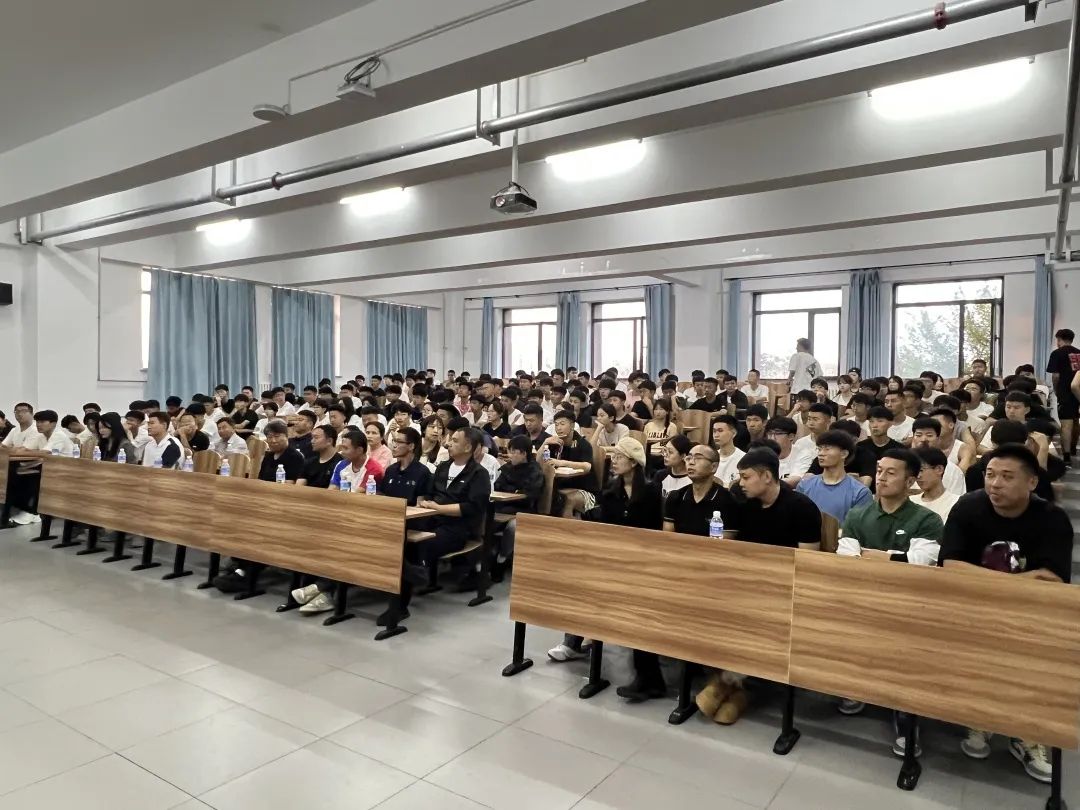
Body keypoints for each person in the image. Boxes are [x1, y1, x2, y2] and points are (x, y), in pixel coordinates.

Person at [939, 443, 1073, 782]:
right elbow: (950, 566)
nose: (995, 484)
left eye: (1007, 477)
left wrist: (984, 580)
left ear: (1031, 482)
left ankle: (1027, 735)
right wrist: (1021, 582)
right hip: (972, 607)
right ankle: (980, 720)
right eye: (990, 475)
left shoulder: (1052, 519)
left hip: (1031, 614)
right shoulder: (968, 508)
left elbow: (1052, 581)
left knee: (1035, 661)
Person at [834, 447, 944, 755]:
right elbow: (847, 558)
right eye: (879, 470)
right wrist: (896, 558)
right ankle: (856, 686)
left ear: (910, 481)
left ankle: (905, 713)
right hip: (862, 598)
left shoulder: (927, 519)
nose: (881, 477)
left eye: (891, 473)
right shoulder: (858, 514)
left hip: (909, 604)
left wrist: (877, 557)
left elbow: (921, 563)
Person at [617, 445, 739, 704]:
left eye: (698, 458)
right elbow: (668, 542)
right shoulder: (676, 497)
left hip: (713, 578)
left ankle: (696, 670)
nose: (691, 462)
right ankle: (649, 680)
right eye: (689, 457)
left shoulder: (727, 501)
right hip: (678, 572)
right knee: (642, 602)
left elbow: (726, 552)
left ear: (714, 467)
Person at [550, 437, 660, 663]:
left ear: (633, 462)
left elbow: (654, 530)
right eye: (614, 456)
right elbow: (604, 524)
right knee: (586, 584)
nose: (614, 461)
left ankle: (594, 637)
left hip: (641, 558)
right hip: (612, 553)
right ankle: (573, 642)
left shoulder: (651, 491)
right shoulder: (611, 489)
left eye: (619, 457)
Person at [399, 427, 492, 608]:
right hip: (432, 519)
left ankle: (411, 583)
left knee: (422, 544)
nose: (449, 444)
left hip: (457, 528)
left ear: (468, 447)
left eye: (455, 441)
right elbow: (429, 494)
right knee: (404, 536)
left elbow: (472, 508)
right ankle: (413, 573)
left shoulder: (479, 474)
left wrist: (439, 508)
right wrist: (425, 504)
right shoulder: (443, 467)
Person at [491, 435, 545, 576]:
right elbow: (497, 486)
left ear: (524, 453)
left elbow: (530, 495)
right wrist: (513, 491)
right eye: (509, 451)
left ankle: (502, 558)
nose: (510, 455)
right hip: (502, 507)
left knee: (513, 527)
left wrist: (512, 492)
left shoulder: (534, 470)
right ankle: (485, 558)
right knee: (484, 519)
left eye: (513, 452)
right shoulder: (508, 468)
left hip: (524, 511)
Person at [796, 429, 872, 521]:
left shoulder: (860, 492)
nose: (821, 453)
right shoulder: (804, 485)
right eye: (819, 449)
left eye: (827, 449)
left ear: (844, 454)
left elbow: (860, 526)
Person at [544, 409, 596, 519]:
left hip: (585, 490)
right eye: (556, 424)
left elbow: (587, 466)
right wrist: (545, 443)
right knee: (545, 494)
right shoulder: (555, 444)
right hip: (561, 486)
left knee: (568, 499)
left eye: (562, 424)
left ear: (572, 425)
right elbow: (544, 463)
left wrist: (562, 463)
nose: (558, 428)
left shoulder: (583, 444)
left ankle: (567, 528)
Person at [805, 419, 875, 488]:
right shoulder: (824, 456)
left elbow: (865, 484)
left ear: (855, 440)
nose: (822, 453)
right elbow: (806, 481)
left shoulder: (866, 456)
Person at [1047, 328, 1080, 463]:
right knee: (1076, 421)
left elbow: (1055, 375)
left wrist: (1056, 390)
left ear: (1059, 339)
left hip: (1065, 392)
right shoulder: (1079, 353)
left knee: (1066, 424)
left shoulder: (1057, 353)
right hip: (1079, 391)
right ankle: (1073, 448)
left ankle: (1066, 456)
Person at [909, 417, 966, 495]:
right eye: (919, 435)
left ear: (938, 439)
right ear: (913, 438)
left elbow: (956, 499)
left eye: (929, 435)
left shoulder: (953, 470)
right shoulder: (902, 464)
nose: (924, 439)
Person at [910, 446, 960, 521]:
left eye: (921, 470)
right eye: (915, 471)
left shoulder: (957, 503)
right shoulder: (910, 502)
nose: (918, 476)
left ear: (939, 469)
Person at [764, 416, 813, 486]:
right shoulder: (763, 454)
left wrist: (767, 485)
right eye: (770, 433)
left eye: (777, 433)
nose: (772, 438)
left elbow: (796, 479)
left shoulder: (803, 454)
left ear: (791, 436)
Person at [710, 415, 745, 487]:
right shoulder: (711, 457)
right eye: (714, 431)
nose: (716, 435)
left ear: (734, 433)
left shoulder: (743, 458)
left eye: (720, 431)